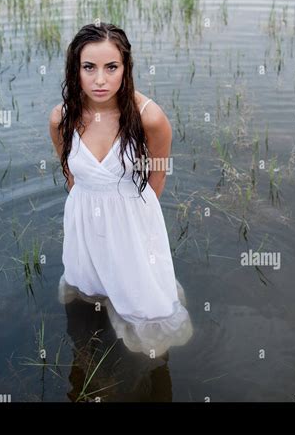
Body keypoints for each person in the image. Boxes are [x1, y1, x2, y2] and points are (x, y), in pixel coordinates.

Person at [49, 22, 193, 357]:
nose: (100, 80)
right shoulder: (62, 118)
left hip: (132, 220)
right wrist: (91, 215)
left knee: (144, 310)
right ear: (75, 70)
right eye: (89, 67)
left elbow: (157, 177)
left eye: (111, 67)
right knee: (89, 291)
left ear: (125, 68)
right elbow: (70, 174)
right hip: (84, 218)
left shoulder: (149, 118)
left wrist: (133, 221)